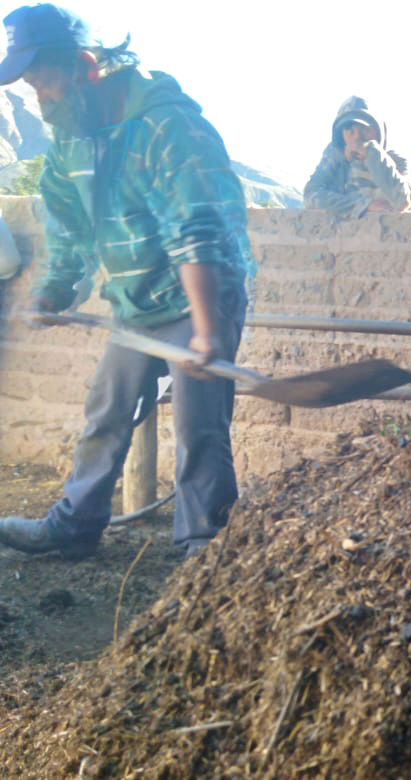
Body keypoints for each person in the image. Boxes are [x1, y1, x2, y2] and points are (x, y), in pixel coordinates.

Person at [0, 4, 253, 558]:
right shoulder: (71, 138)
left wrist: (208, 331)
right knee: (105, 411)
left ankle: (204, 547)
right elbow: (67, 224)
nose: (38, 97)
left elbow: (197, 227)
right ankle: (74, 527)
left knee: (198, 426)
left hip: (200, 295)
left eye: (43, 81)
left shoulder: (168, 124)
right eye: (29, 86)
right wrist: (53, 290)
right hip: (135, 301)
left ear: (86, 67)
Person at [303, 95, 411, 216]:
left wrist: (373, 155)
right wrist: (363, 205)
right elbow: (311, 195)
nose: (357, 137)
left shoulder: (397, 160)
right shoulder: (335, 158)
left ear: (379, 132)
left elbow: (403, 199)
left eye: (365, 130)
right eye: (350, 131)